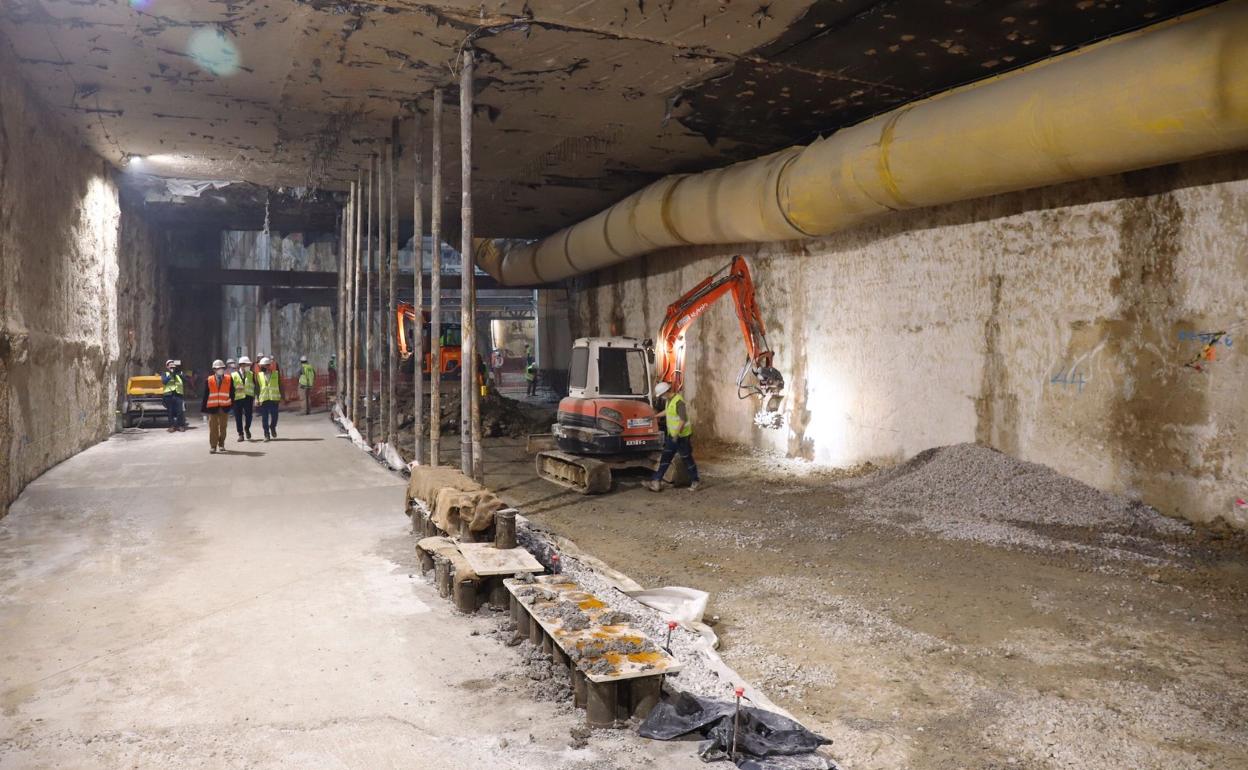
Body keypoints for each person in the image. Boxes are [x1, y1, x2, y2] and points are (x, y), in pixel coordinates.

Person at [645, 381, 701, 493]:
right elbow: (668, 412)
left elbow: (683, 419)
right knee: (666, 457)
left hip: (682, 436)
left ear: (665, 392)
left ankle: (695, 480)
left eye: (661, 395)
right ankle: (656, 481)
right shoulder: (670, 401)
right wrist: (655, 416)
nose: (661, 397)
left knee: (687, 458)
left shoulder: (679, 401)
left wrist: (676, 434)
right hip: (673, 436)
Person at [201, 359, 235, 454]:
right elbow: (205, 395)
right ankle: (213, 446)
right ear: (214, 370)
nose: (220, 369)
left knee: (223, 427)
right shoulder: (209, 380)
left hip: (224, 406)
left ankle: (222, 444)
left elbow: (232, 393)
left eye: (221, 368)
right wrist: (204, 408)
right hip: (213, 407)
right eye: (218, 368)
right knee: (213, 427)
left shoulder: (229, 379)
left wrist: (231, 404)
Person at [256, 356, 283, 440]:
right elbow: (257, 388)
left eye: (264, 366)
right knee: (265, 418)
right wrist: (256, 398)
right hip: (264, 399)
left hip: (274, 399)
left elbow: (280, 385)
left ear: (268, 365)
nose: (262, 367)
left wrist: (282, 396)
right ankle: (266, 435)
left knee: (275, 416)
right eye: (261, 366)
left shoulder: (276, 374)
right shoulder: (259, 375)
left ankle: (272, 427)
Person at [232, 355, 257, 441]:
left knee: (249, 416)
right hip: (237, 399)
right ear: (241, 365)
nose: (248, 366)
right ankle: (240, 434)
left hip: (248, 398)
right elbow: (231, 388)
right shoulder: (234, 375)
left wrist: (256, 397)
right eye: (247, 365)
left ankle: (247, 428)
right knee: (238, 417)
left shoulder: (251, 374)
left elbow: (255, 386)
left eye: (249, 365)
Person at [161, 359, 187, 432]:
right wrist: (171, 374)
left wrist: (181, 375)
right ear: (167, 366)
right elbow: (164, 381)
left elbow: (186, 380)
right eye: (170, 365)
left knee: (180, 411)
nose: (172, 366)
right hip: (168, 395)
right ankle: (171, 426)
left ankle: (180, 426)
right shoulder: (164, 374)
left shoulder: (179, 373)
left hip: (178, 394)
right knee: (170, 411)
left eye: (173, 365)